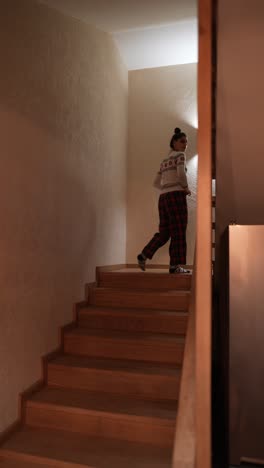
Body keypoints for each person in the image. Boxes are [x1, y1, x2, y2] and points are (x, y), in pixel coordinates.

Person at [137, 127, 191, 274]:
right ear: (173, 142)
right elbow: (181, 174)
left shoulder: (164, 161)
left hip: (164, 198)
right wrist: (185, 188)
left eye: (186, 142)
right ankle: (174, 267)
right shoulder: (180, 155)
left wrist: (166, 187)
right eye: (182, 141)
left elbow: (155, 182)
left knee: (164, 233)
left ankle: (143, 255)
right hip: (176, 197)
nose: (185, 145)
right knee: (178, 231)